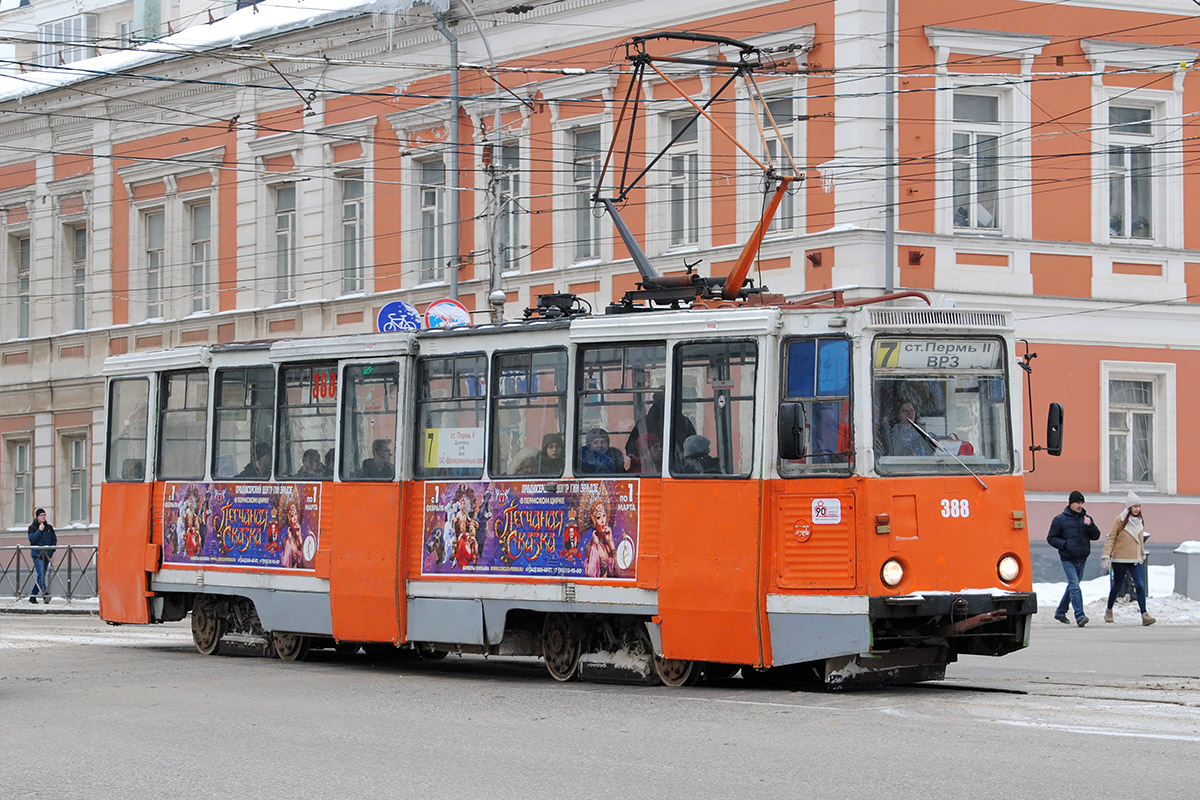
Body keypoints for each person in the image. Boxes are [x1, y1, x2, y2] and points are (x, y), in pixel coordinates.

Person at [1046, 490, 1102, 627]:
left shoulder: (1086, 519)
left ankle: (1060, 611)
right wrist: (1065, 545)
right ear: (1071, 503)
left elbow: (1096, 536)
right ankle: (1080, 615)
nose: (1080, 505)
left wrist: (1091, 526)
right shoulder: (1060, 519)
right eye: (1077, 502)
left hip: (1082, 558)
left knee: (1072, 586)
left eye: (1082, 503)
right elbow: (1051, 538)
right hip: (1068, 559)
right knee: (1075, 586)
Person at [1101, 491, 1156, 626]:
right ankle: (1109, 610)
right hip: (1120, 558)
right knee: (1117, 586)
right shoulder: (1119, 520)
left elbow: (1140, 540)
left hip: (1135, 559)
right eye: (1134, 506)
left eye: (1139, 506)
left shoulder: (1139, 521)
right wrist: (1106, 555)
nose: (1137, 509)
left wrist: (1142, 554)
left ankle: (1144, 614)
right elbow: (1111, 537)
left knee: (1140, 585)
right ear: (1129, 507)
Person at [27, 507, 56, 604]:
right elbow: (32, 540)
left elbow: (54, 540)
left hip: (46, 555)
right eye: (41, 515)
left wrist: (51, 551)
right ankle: (45, 594)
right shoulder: (32, 527)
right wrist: (39, 531)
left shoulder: (49, 527)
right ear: (37, 517)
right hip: (37, 555)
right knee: (41, 575)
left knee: (41, 576)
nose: (43, 517)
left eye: (44, 515)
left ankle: (32, 596)